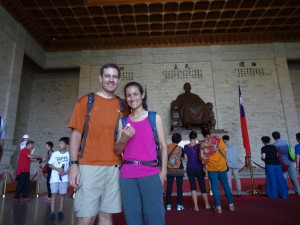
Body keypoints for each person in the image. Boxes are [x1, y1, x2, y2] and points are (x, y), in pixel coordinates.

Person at [68, 63, 123, 225]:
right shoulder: (86, 101)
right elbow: (76, 135)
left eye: (114, 77)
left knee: (106, 216)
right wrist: (73, 164)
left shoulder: (122, 105)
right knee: (86, 217)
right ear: (100, 78)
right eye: (107, 76)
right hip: (89, 166)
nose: (111, 80)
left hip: (114, 167)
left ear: (119, 80)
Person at [114, 81, 167, 225]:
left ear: (142, 95)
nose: (132, 98)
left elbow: (163, 147)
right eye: (129, 95)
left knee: (154, 215)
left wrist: (163, 173)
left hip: (150, 172)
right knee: (132, 217)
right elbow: (117, 150)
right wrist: (124, 138)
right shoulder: (123, 121)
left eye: (136, 94)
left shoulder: (154, 118)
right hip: (128, 175)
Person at [200, 127, 234, 214]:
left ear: (203, 134)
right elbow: (225, 150)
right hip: (222, 166)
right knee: (226, 185)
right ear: (210, 132)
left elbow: (202, 158)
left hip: (211, 168)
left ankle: (218, 207)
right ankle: (231, 205)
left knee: (214, 187)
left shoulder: (203, 144)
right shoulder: (218, 140)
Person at [184, 130, 210, 211]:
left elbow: (186, 158)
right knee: (202, 185)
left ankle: (196, 206)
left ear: (189, 137)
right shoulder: (200, 145)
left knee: (193, 187)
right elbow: (203, 156)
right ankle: (207, 205)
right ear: (196, 137)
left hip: (190, 167)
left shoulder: (186, 146)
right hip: (199, 167)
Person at [48, 137, 70, 221]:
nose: (59, 145)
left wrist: (65, 172)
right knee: (53, 194)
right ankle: (52, 212)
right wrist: (57, 169)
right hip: (54, 178)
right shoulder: (55, 154)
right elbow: (50, 164)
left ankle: (60, 210)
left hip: (64, 179)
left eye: (61, 143)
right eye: (59, 143)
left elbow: (71, 166)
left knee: (62, 195)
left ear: (67, 145)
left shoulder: (68, 154)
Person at [165, 133, 185, 211]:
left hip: (170, 169)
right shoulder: (181, 148)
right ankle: (179, 205)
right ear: (179, 140)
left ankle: (168, 205)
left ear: (172, 139)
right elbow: (182, 158)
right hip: (179, 169)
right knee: (179, 188)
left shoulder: (167, 147)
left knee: (169, 187)